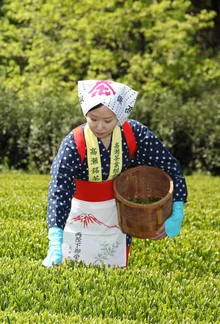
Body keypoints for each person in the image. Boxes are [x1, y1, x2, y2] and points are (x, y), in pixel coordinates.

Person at [42, 80, 187, 268]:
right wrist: (55, 238)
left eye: (108, 120)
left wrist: (177, 211)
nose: (100, 126)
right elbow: (58, 189)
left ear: (120, 116)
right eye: (93, 119)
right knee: (72, 269)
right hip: (78, 214)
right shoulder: (73, 142)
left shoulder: (135, 133)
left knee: (112, 271)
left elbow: (170, 167)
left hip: (117, 212)